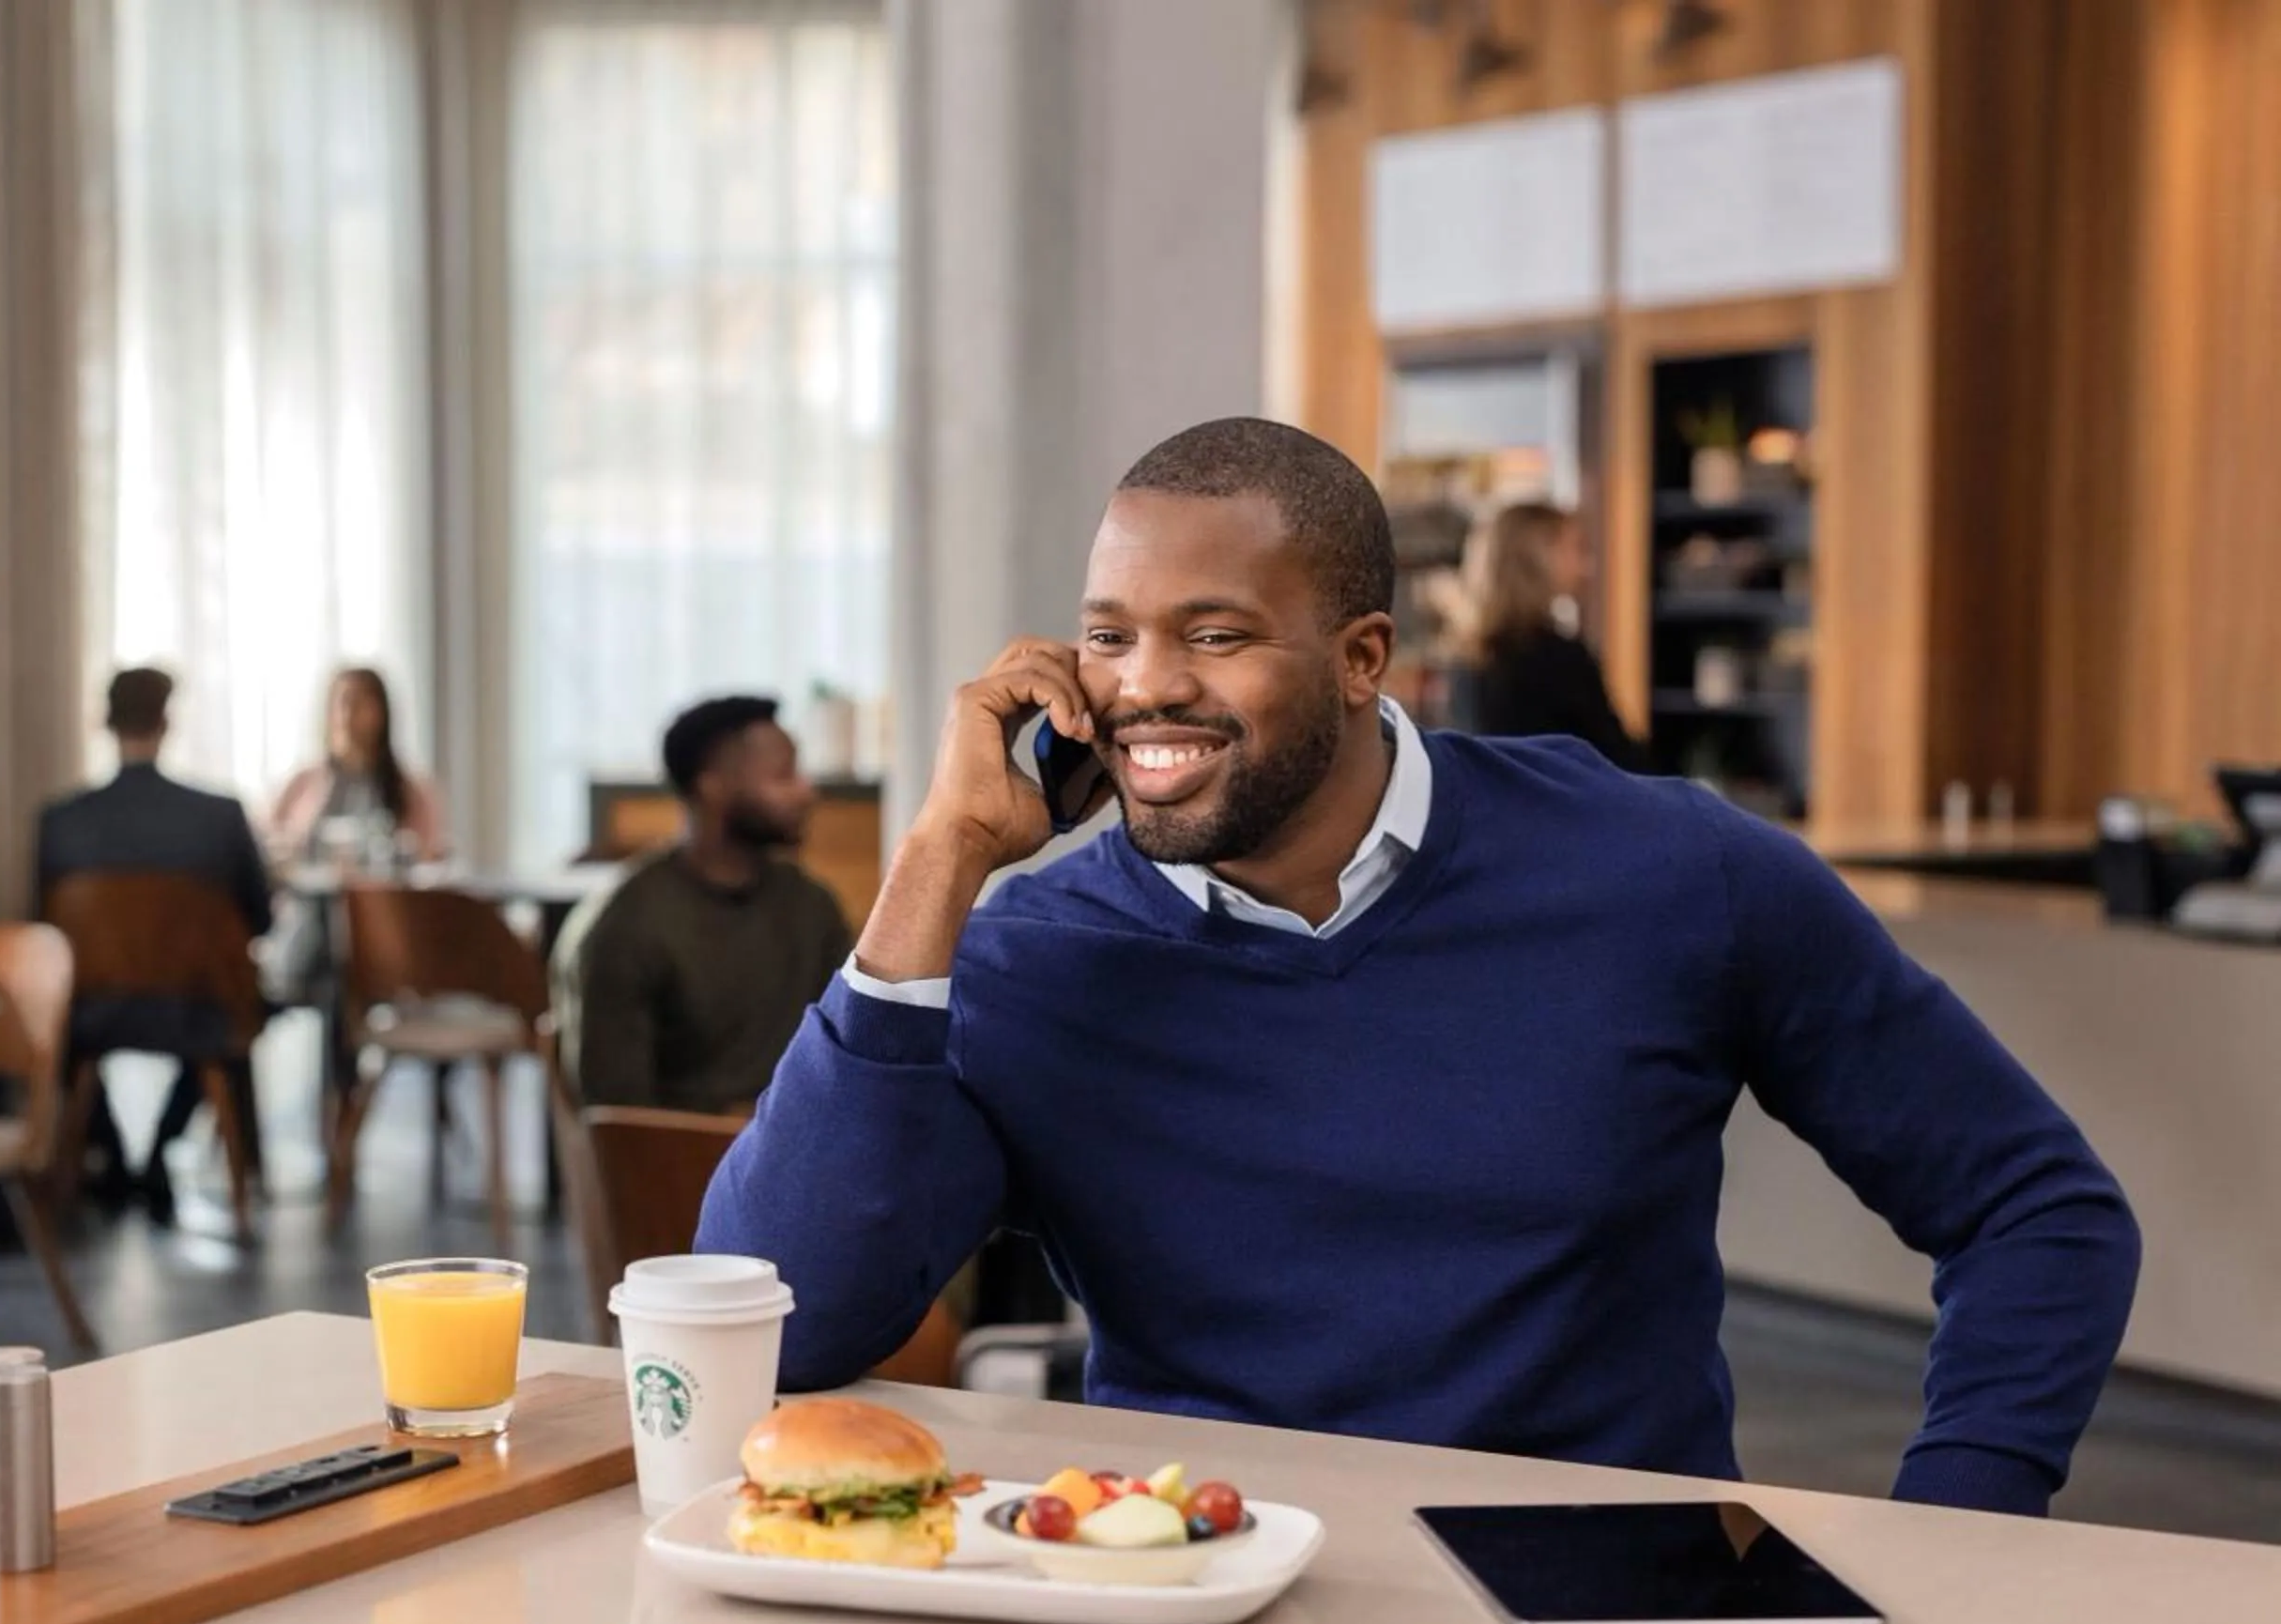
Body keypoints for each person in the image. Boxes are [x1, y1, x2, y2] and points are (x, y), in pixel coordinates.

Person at [700, 417, 2140, 1519]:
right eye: (1110, 638)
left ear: (1362, 656)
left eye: (1216, 634)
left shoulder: (1671, 873)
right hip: (1196, 1605)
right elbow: (776, 1319)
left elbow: (2035, 1210)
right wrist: (937, 864)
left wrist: (1965, 1524)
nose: (1144, 688)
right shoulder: (1033, 955)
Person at [36, 668, 274, 1220]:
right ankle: (160, 1152)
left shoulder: (60, 824)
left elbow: (44, 939)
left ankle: (116, 1161)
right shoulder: (218, 817)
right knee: (234, 1023)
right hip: (198, 1012)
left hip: (92, 1015)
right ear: (167, 722)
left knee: (65, 1042)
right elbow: (258, 920)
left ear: (105, 721)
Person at [554, 697, 854, 1113]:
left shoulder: (811, 906)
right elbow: (619, 1120)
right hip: (680, 1168)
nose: (807, 792)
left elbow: (849, 1055)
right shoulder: (625, 925)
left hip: (796, 1157)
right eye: (784, 776)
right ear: (712, 785)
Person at [1462, 500, 1648, 771]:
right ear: (1540, 555)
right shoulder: (1559, 659)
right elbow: (1619, 760)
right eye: (1578, 549)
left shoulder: (1470, 659)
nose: (1589, 567)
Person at [266, 667, 452, 865]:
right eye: (342, 703)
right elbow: (268, 843)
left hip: (385, 892)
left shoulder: (412, 792)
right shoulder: (300, 785)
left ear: (381, 713)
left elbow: (431, 855)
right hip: (310, 892)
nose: (349, 714)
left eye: (360, 703)